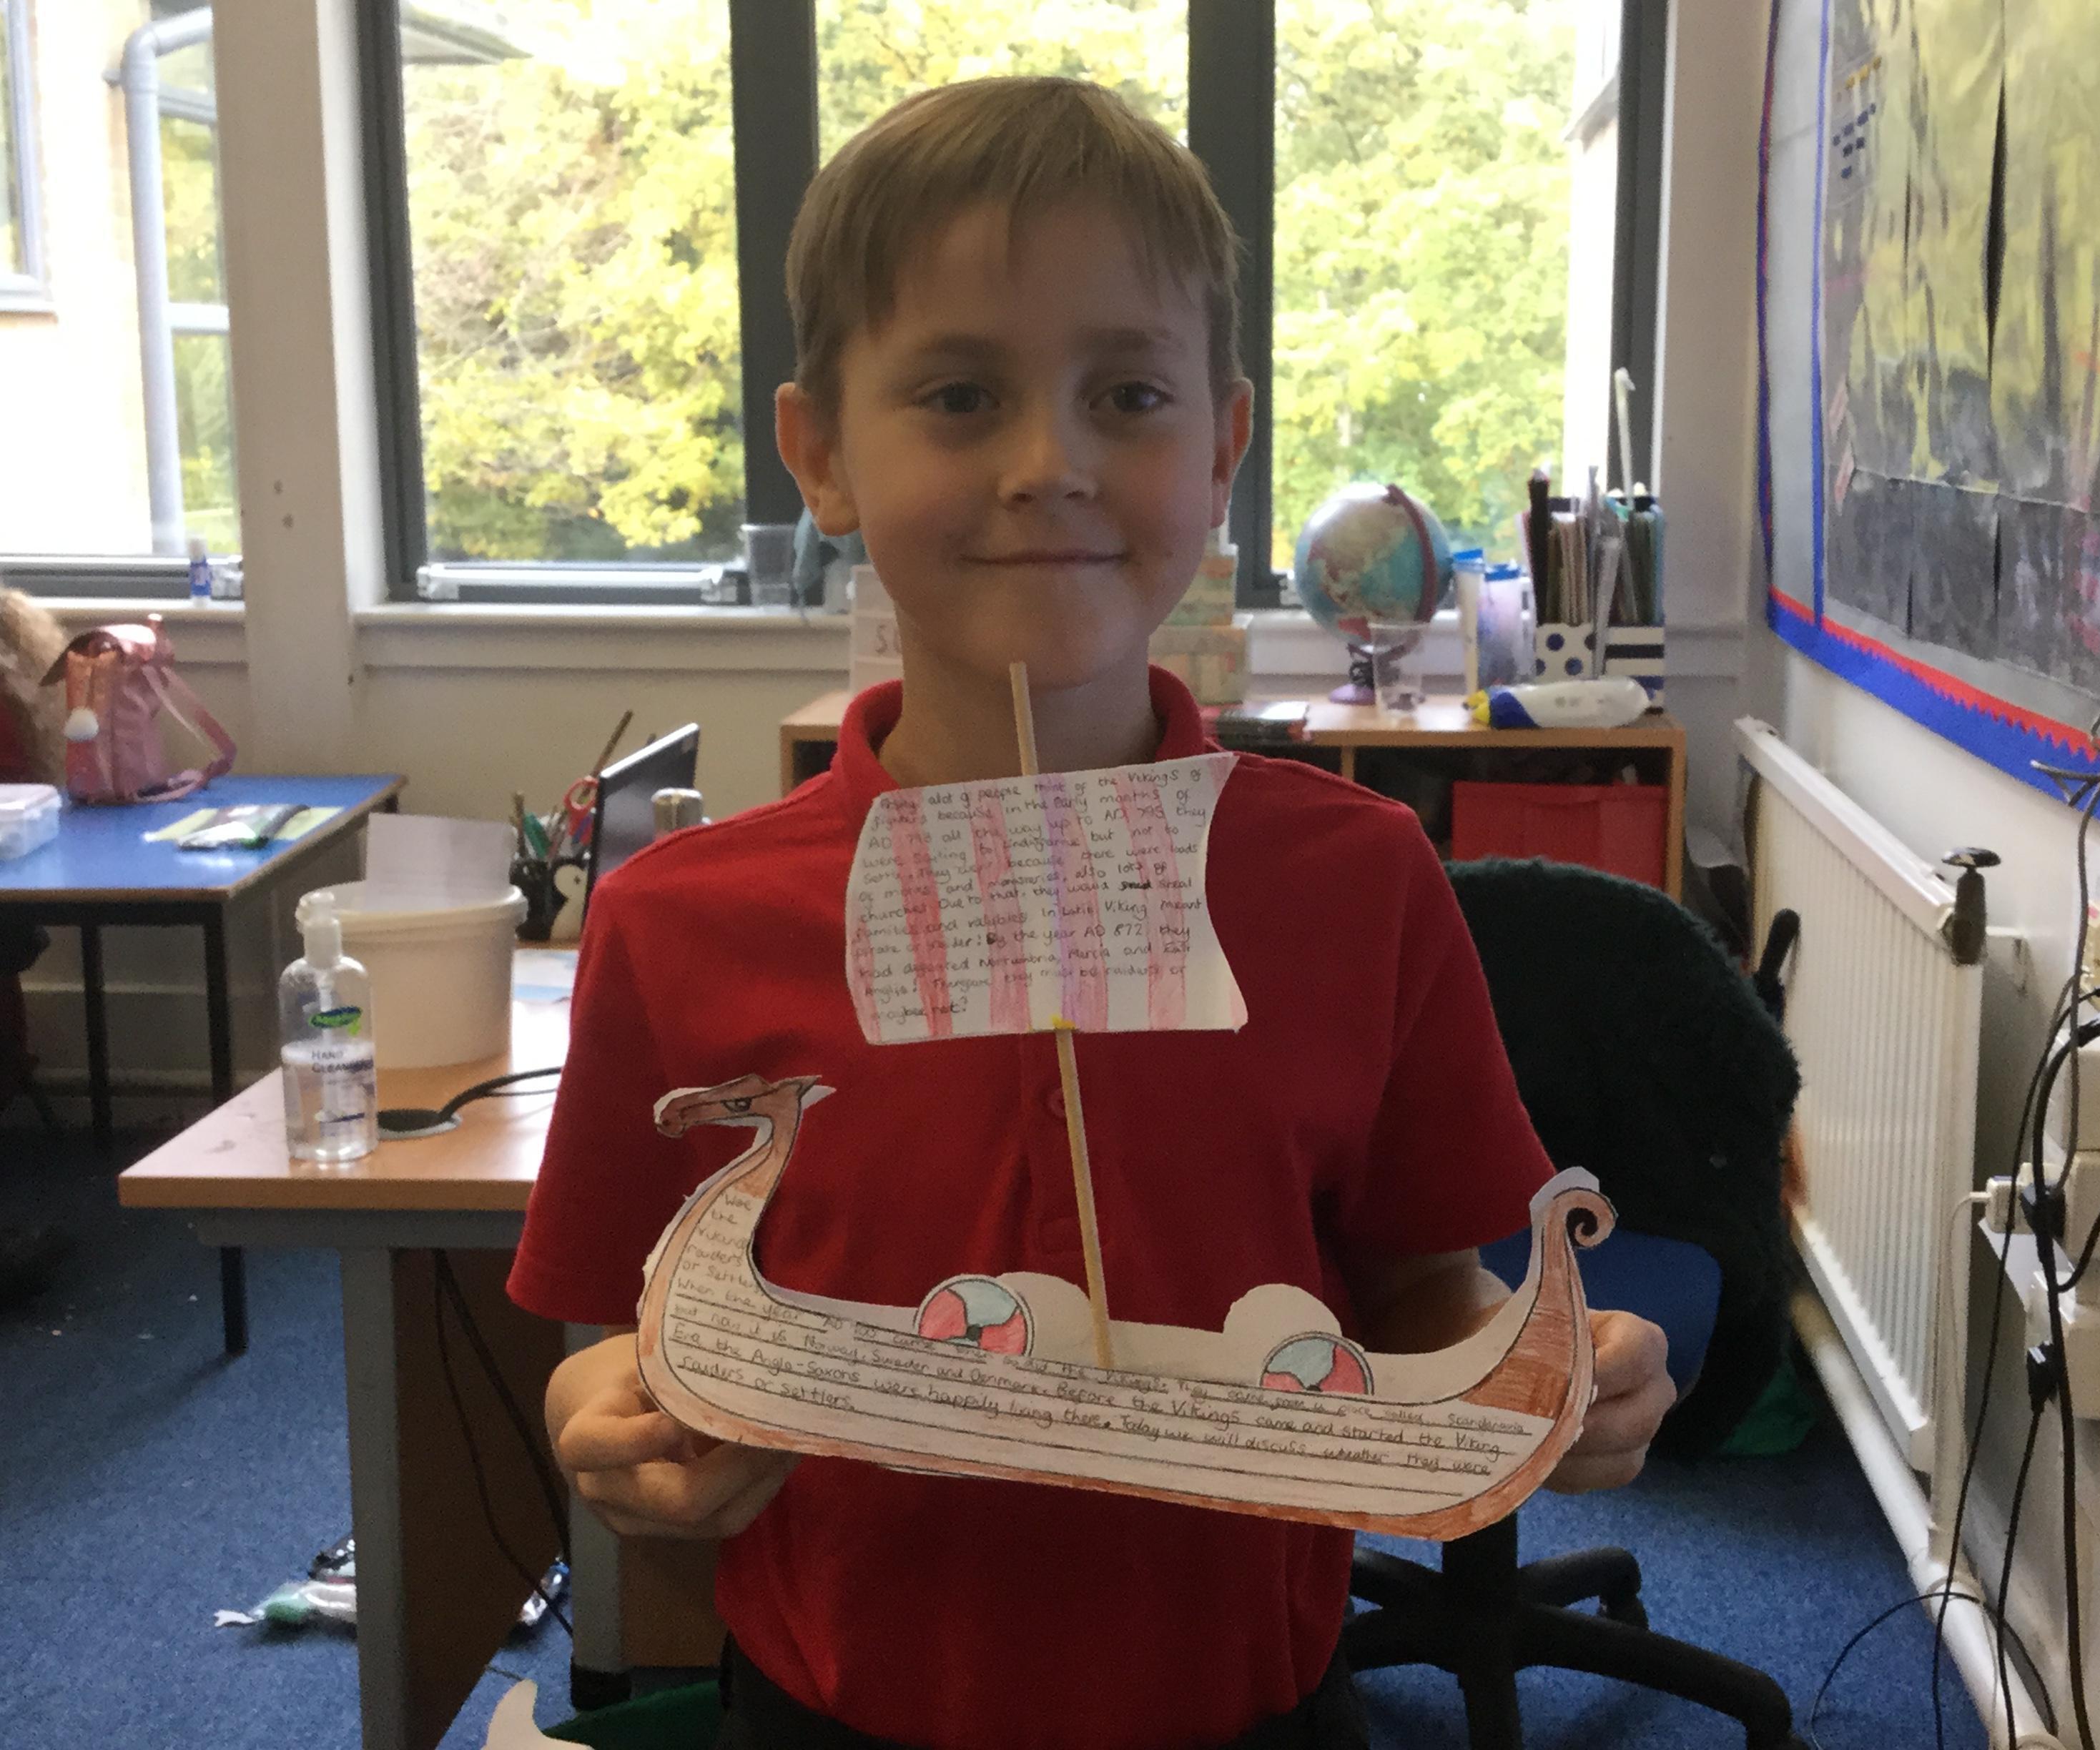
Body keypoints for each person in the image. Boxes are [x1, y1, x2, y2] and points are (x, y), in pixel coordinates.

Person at [510, 76, 1674, 1750]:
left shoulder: (1355, 882)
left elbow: (1420, 1280)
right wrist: (607, 1423)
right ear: (822, 455)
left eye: (1127, 395)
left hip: (1255, 1709)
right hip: (841, 1711)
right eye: (961, 396)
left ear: (1223, 449)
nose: (1049, 466)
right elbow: (613, 1336)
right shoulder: (682, 920)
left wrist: (1538, 1365)